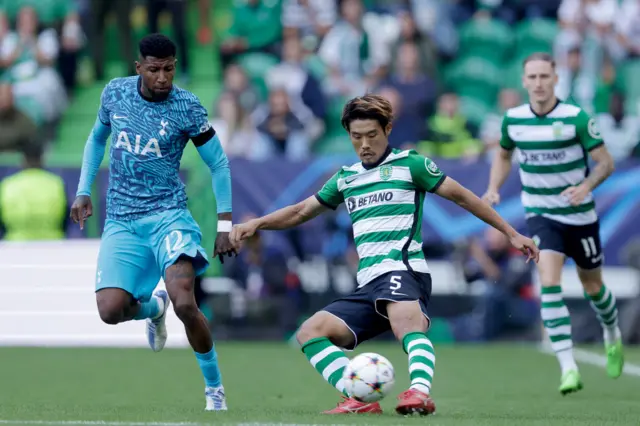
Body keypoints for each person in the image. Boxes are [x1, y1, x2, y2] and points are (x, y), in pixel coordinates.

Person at [230, 94, 539, 416]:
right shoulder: (346, 178)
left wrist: (511, 233)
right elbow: (299, 212)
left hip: (402, 270)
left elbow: (464, 198)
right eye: (356, 137)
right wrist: (258, 223)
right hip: (369, 283)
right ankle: (359, 397)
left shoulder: (411, 165)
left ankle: (419, 392)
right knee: (310, 332)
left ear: (388, 129)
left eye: (372, 135)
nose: (364, 144)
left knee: (408, 328)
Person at [69, 34, 236, 411]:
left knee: (186, 303)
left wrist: (224, 225)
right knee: (110, 311)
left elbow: (219, 164)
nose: (163, 77)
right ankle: (152, 310)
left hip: (169, 217)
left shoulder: (187, 107)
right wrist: (83, 189)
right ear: (139, 67)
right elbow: (97, 140)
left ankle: (214, 391)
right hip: (123, 220)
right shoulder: (115, 94)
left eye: (170, 69)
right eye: (155, 69)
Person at [482, 52, 623, 395]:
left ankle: (612, 331)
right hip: (542, 216)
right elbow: (503, 154)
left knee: (594, 288)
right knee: (549, 283)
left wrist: (586, 186)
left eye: (545, 77)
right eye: (532, 77)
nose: (539, 83)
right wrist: (493, 188)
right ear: (524, 80)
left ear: (556, 78)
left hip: (580, 217)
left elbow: (606, 162)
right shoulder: (513, 120)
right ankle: (568, 367)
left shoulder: (576, 118)